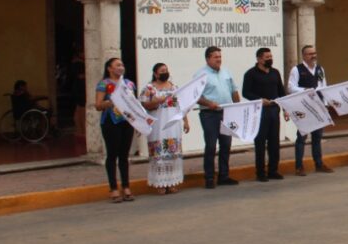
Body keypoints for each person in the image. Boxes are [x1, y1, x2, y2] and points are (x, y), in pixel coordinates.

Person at [140, 63, 190, 194]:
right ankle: (160, 184)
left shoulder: (174, 88)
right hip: (157, 127)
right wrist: (158, 100)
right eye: (162, 71)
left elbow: (181, 106)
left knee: (173, 154)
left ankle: (172, 182)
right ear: (156, 74)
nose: (165, 72)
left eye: (166, 70)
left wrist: (185, 121)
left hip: (173, 126)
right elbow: (145, 105)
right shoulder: (149, 88)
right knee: (159, 155)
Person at [93, 58, 137, 203]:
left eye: (122, 65)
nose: (121, 67)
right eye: (117, 65)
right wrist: (113, 101)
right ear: (109, 69)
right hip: (111, 122)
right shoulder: (104, 84)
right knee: (112, 155)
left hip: (127, 121)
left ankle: (126, 186)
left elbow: (134, 104)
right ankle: (113, 188)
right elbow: (98, 105)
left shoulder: (129, 84)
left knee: (124, 155)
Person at [196, 46, 241, 189]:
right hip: (209, 115)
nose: (219, 60)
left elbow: (234, 90)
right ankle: (209, 177)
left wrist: (237, 106)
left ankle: (224, 176)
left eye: (220, 57)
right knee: (210, 146)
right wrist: (209, 103)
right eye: (216, 57)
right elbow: (196, 96)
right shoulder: (201, 75)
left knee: (226, 145)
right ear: (208, 58)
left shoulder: (226, 71)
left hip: (226, 113)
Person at [288, 44, 333, 176]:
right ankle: (299, 166)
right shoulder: (297, 70)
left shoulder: (320, 69)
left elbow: (324, 86)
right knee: (302, 137)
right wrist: (305, 90)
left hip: (318, 106)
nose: (313, 56)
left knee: (317, 137)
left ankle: (318, 164)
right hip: (304, 107)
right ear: (303, 56)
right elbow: (291, 87)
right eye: (310, 54)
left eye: (314, 53)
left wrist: (325, 105)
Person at [243, 47, 286, 182]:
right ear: (259, 59)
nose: (270, 59)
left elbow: (281, 91)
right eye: (267, 57)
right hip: (259, 112)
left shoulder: (275, 73)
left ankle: (273, 170)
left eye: (271, 57)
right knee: (260, 143)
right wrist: (259, 100)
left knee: (274, 142)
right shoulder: (251, 74)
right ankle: (260, 172)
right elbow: (246, 92)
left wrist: (285, 108)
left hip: (274, 110)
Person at [69, 51, 86, 138]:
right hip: (80, 89)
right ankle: (82, 130)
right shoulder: (78, 64)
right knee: (82, 110)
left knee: (78, 109)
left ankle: (79, 129)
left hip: (76, 89)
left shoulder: (75, 63)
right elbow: (80, 76)